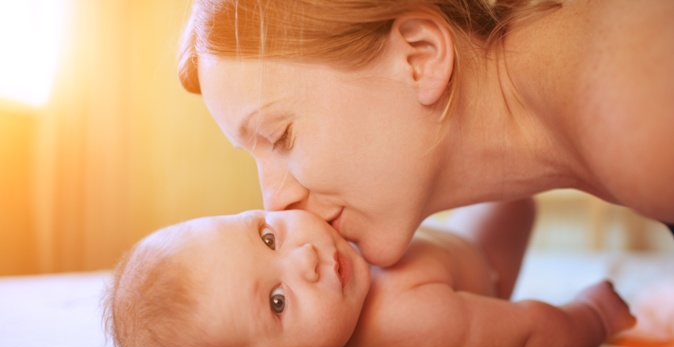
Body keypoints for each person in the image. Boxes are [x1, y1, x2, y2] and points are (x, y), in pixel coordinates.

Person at [178, 0, 674, 268]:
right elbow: (483, 271)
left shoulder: (632, 99)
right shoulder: (531, 130)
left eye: (281, 136)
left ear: (419, 58)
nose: (273, 202)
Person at [103, 199, 635, 347]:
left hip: (449, 237)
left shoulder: (325, 249)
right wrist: (591, 315)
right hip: (488, 268)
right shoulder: (409, 321)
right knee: (515, 201)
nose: (305, 258)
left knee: (504, 178)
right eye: (278, 301)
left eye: (267, 237)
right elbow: (525, 332)